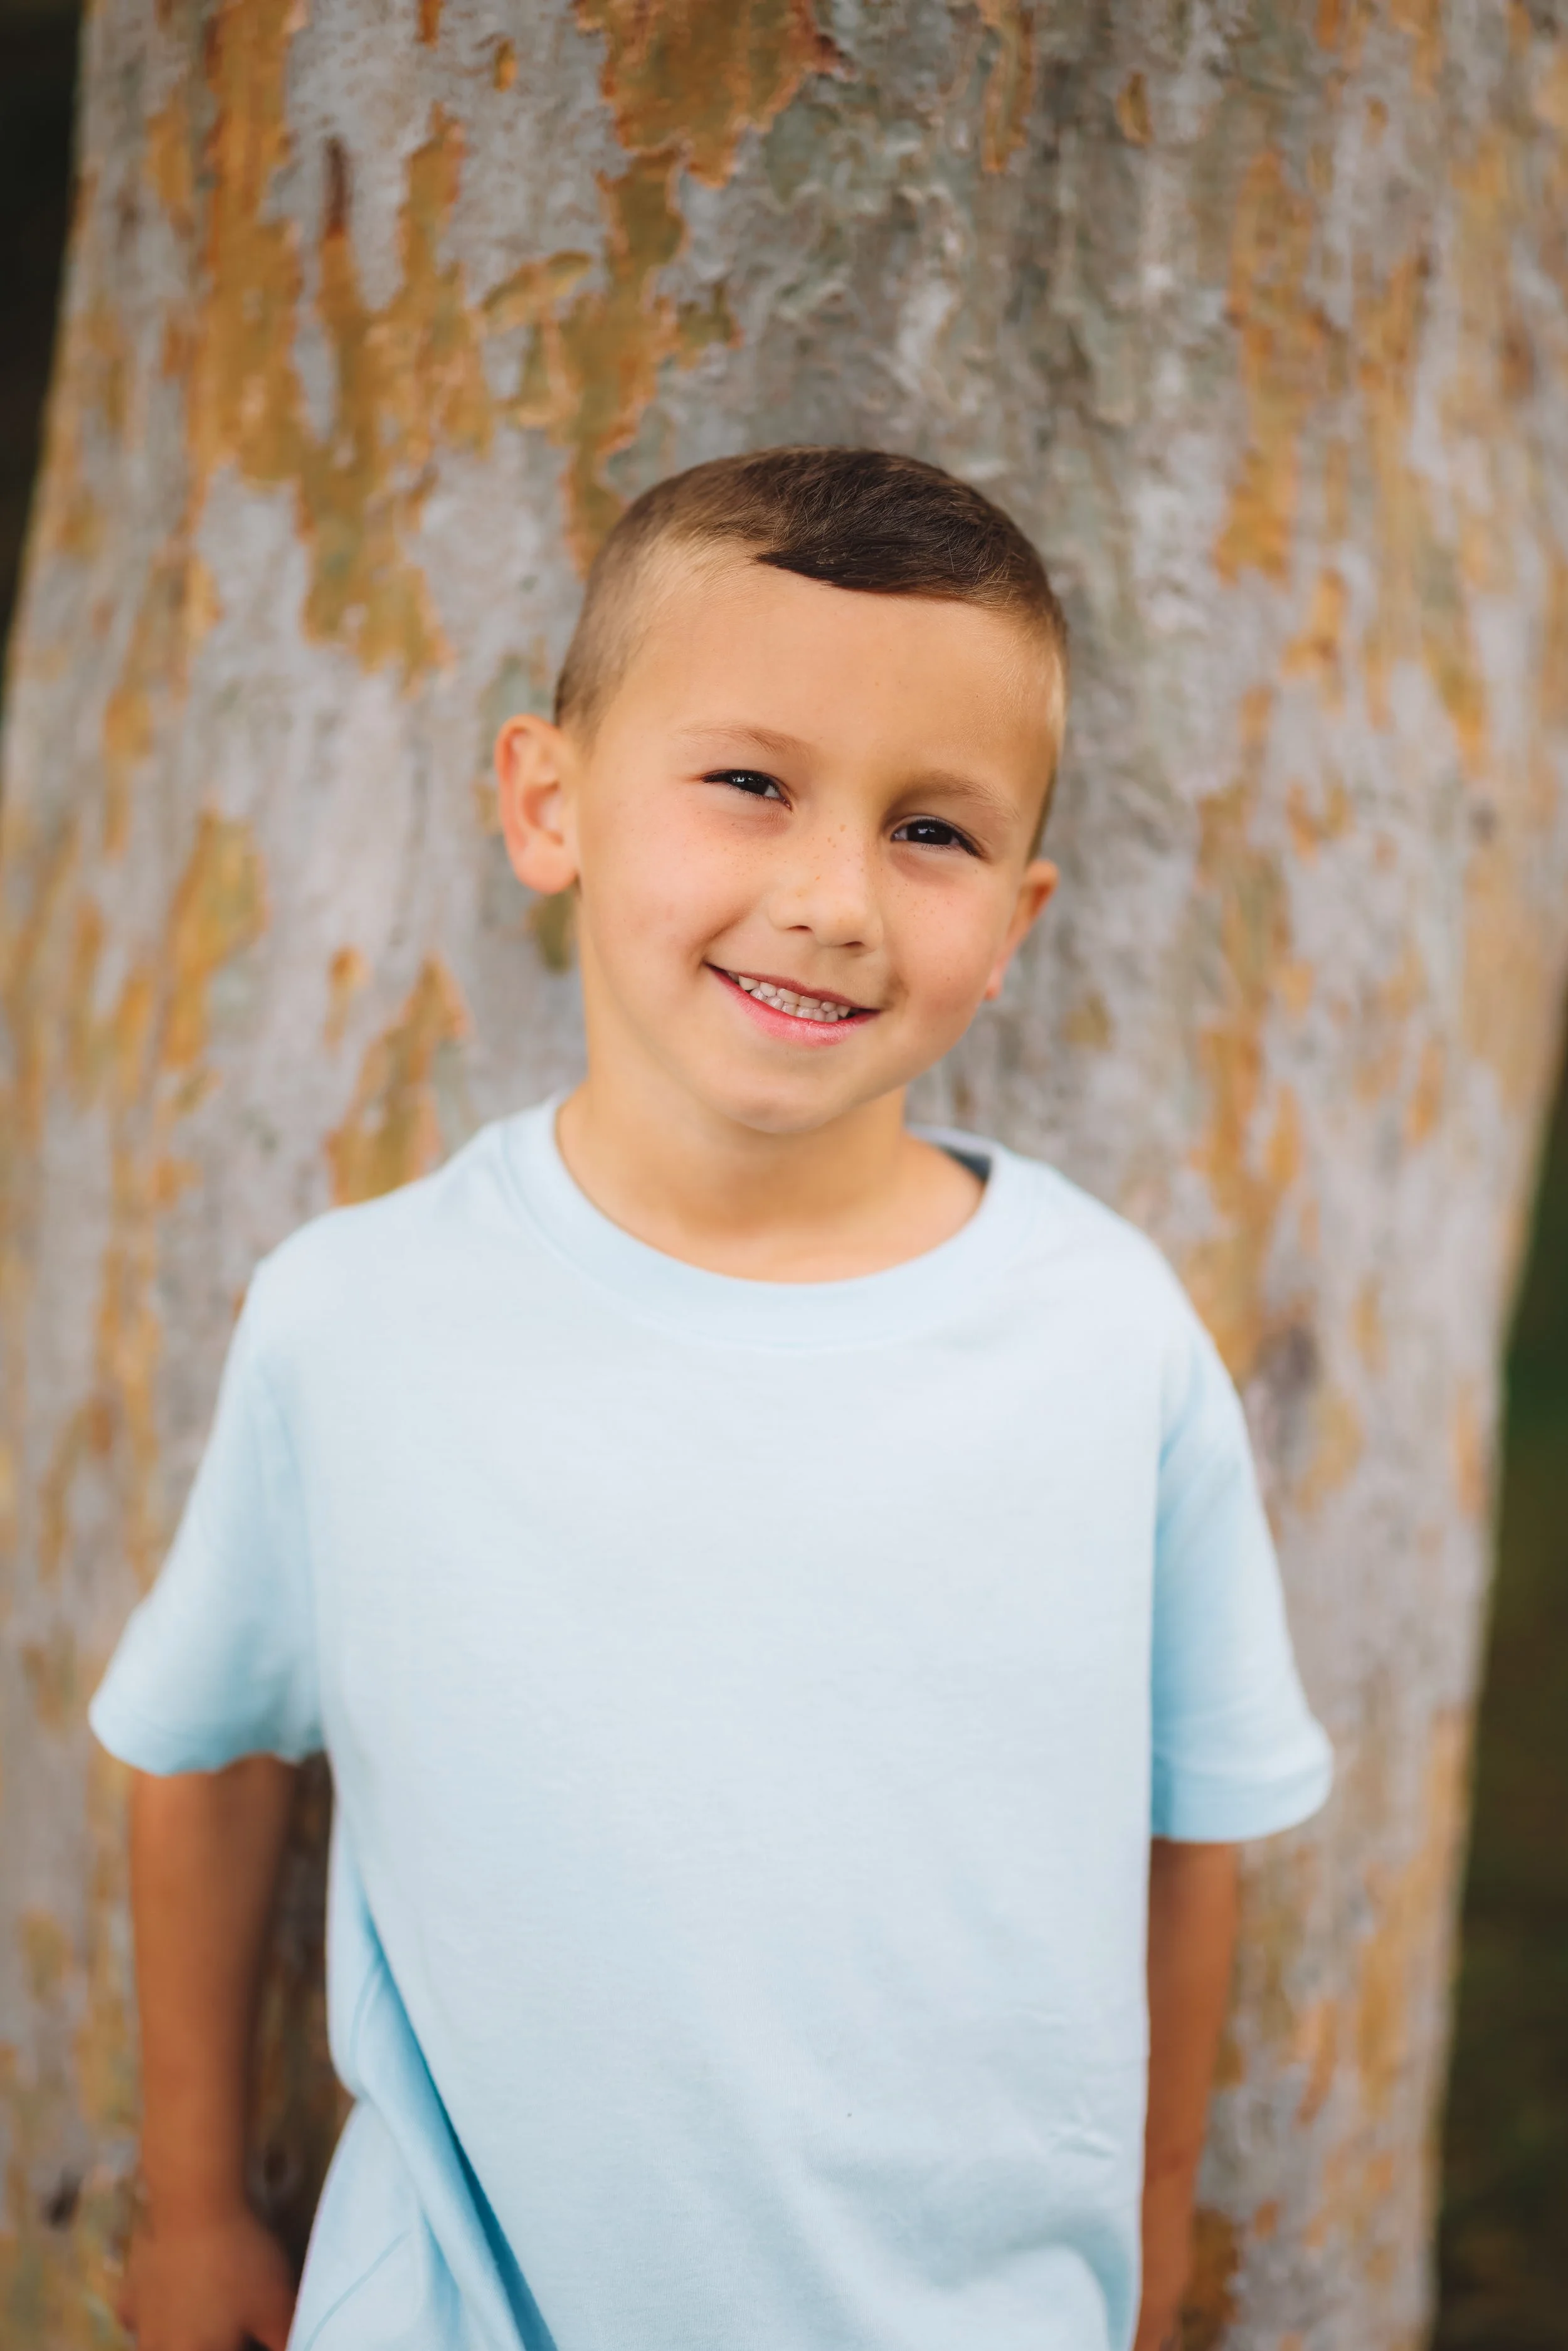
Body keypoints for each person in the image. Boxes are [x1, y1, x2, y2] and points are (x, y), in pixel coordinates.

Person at [93, 447, 1332, 2351]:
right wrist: (192, 2203)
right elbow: (202, 1747)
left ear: (1015, 916)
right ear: (548, 799)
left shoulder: (1102, 1337)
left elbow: (1196, 1821)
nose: (832, 896)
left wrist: (1153, 2230)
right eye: (749, 782)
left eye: (933, 831)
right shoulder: (357, 1319)